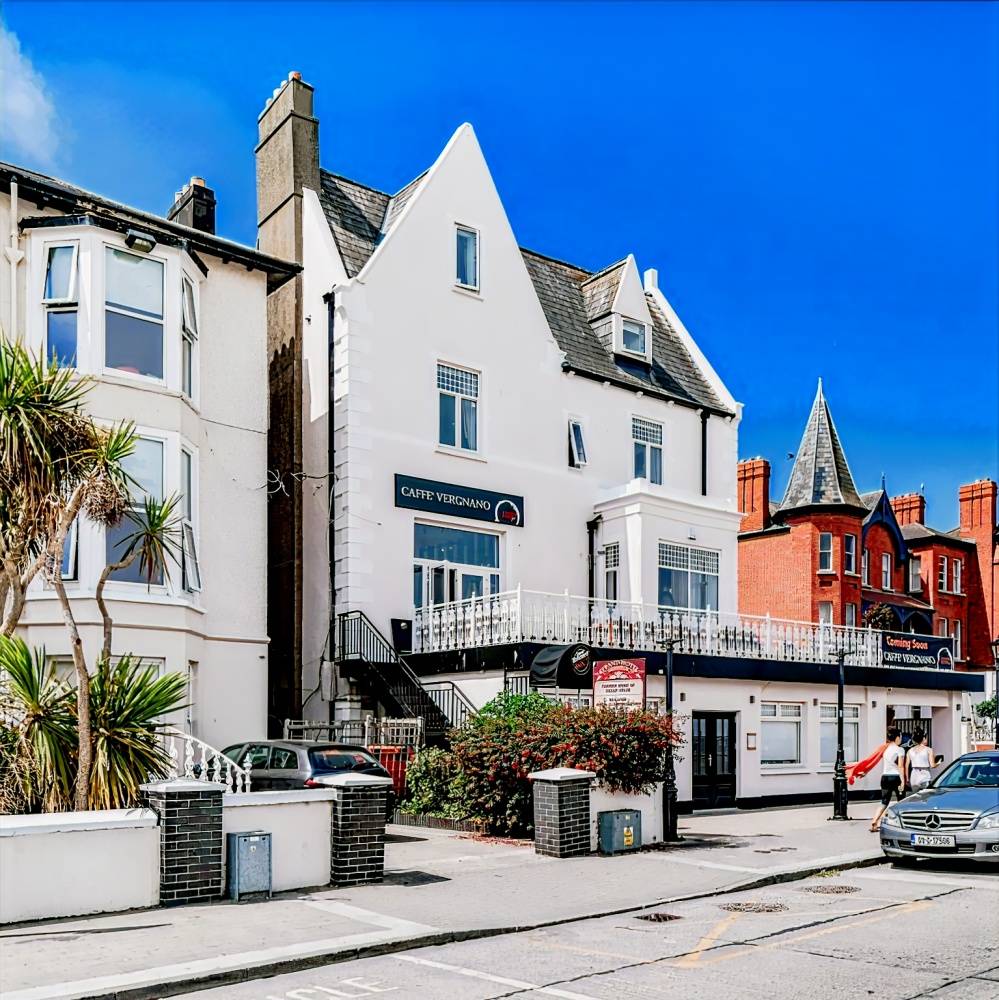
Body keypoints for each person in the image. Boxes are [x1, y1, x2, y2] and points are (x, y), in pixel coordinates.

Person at [869, 726, 907, 832]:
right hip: (896, 777)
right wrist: (903, 780)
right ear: (897, 738)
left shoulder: (886, 749)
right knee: (901, 801)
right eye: (900, 737)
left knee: (884, 801)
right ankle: (901, 823)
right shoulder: (900, 750)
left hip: (885, 777)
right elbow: (900, 766)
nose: (901, 739)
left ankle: (874, 821)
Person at [906, 729, 936, 793]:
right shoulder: (929, 750)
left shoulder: (909, 751)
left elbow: (906, 765)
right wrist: (938, 763)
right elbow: (932, 765)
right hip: (925, 775)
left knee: (915, 797)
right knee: (926, 797)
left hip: (914, 775)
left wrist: (907, 779)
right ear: (923, 738)